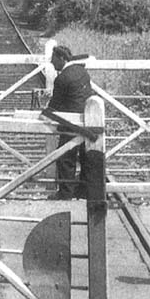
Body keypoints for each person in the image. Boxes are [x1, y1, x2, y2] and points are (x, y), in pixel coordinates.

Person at [43, 45, 92, 199]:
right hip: (88, 121)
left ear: (62, 58)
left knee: (66, 158)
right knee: (86, 156)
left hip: (71, 123)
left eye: (54, 60)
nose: (52, 63)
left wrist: (44, 113)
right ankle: (84, 190)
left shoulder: (62, 78)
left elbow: (55, 105)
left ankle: (65, 193)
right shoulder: (82, 72)